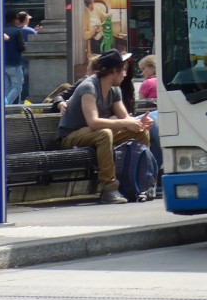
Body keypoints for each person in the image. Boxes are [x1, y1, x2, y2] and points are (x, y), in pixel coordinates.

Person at [57, 49, 153, 205]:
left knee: (140, 133)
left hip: (95, 133)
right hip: (72, 136)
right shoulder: (88, 87)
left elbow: (125, 118)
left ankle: (141, 183)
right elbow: (93, 123)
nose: (125, 74)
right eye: (123, 70)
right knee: (104, 133)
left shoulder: (114, 89)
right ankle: (109, 188)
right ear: (114, 71)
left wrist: (138, 123)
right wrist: (126, 123)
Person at [2, 11, 26, 106]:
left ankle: (10, 109)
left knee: (7, 88)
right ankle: (5, 105)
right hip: (15, 63)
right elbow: (21, 47)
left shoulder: (1, 30)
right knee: (17, 87)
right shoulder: (17, 31)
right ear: (14, 20)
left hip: (4, 64)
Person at [16, 11, 39, 103]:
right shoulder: (30, 31)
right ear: (25, 19)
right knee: (26, 81)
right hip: (27, 60)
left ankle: (16, 100)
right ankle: (24, 99)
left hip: (16, 60)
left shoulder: (14, 30)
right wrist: (35, 31)